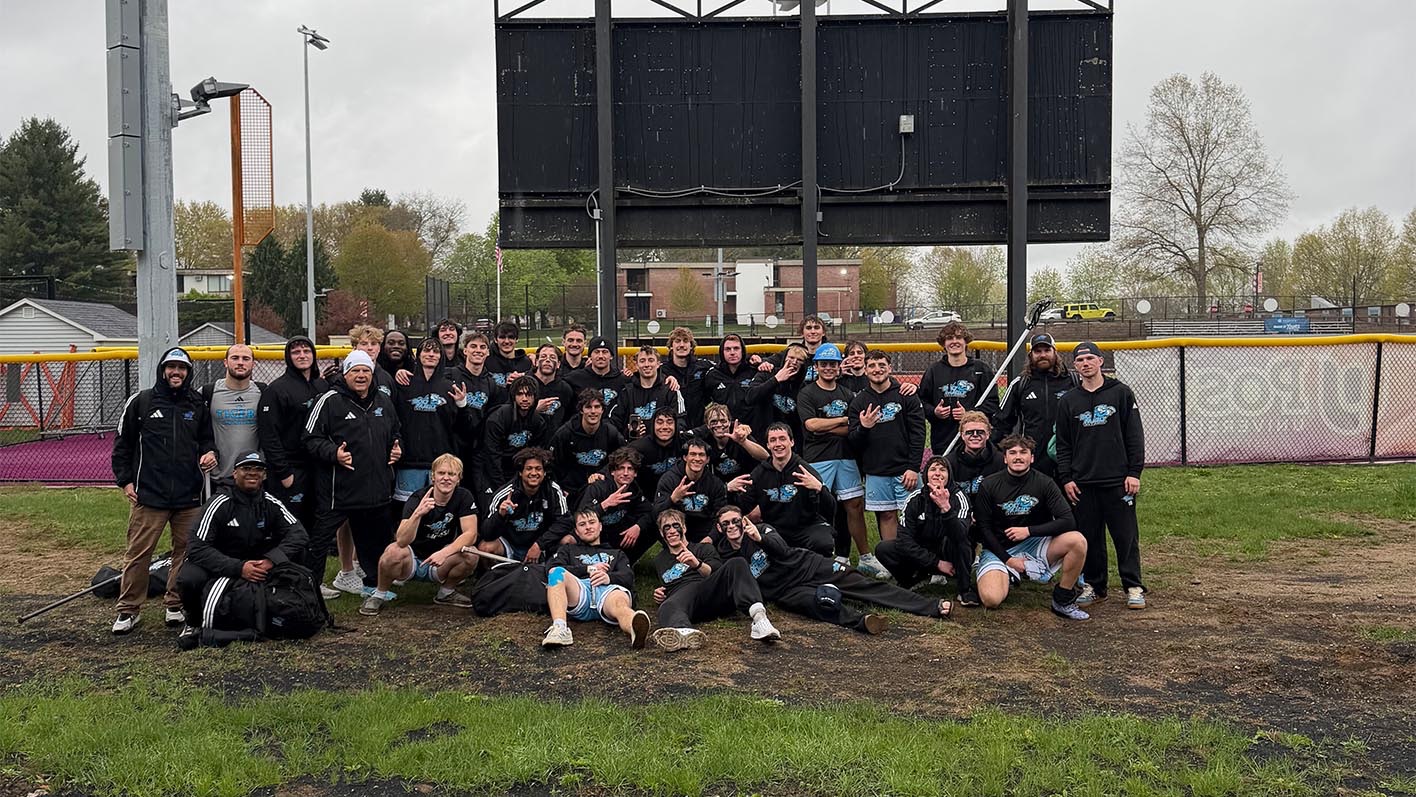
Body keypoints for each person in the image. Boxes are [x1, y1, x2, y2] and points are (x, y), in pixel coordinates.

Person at [110, 346, 217, 635]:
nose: (176, 372)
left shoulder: (197, 404)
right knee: (138, 553)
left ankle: (175, 603)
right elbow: (122, 445)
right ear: (163, 370)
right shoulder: (142, 402)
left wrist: (210, 452)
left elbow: (207, 439)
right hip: (149, 495)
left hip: (188, 496)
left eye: (182, 368)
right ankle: (129, 609)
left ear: (188, 372)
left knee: (185, 552)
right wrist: (125, 481)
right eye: (171, 367)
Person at [712, 506, 949, 633]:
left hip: (809, 566)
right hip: (785, 592)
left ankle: (930, 606)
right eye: (726, 523)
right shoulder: (725, 555)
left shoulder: (762, 529)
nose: (732, 526)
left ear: (744, 521)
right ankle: (864, 622)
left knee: (864, 586)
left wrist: (759, 538)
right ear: (720, 528)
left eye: (736, 521)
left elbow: (782, 551)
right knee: (820, 605)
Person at [177, 450, 308, 644]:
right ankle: (194, 620)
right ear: (234, 473)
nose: (252, 473)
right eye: (246, 468)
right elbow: (196, 547)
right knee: (189, 578)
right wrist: (238, 568)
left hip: (257, 564)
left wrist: (271, 560)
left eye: (258, 469)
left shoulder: (270, 502)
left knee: (299, 553)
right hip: (220, 562)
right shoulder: (218, 503)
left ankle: (284, 609)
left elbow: (299, 534)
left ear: (264, 475)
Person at [1055, 341, 1147, 609]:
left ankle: (1133, 586)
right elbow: (1063, 444)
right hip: (1083, 482)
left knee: (1125, 536)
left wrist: (1134, 472)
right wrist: (1067, 478)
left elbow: (1134, 436)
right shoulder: (1069, 400)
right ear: (1075, 366)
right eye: (1080, 360)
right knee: (1090, 537)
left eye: (1090, 359)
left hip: (1117, 480)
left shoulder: (1121, 393)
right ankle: (1096, 586)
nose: (1085, 364)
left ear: (1100, 361)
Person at [303, 350, 403, 593]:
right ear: (345, 374)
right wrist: (334, 453)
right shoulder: (329, 400)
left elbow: (396, 432)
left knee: (377, 538)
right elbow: (310, 439)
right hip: (340, 489)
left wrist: (397, 448)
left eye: (366, 370)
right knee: (320, 539)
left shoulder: (383, 400)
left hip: (376, 487)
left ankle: (376, 580)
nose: (361, 375)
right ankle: (311, 585)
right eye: (355, 370)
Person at [973, 434, 1090, 620]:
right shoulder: (989, 484)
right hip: (999, 550)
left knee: (1077, 541)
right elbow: (983, 529)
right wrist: (1009, 560)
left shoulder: (1045, 483)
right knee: (991, 599)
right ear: (1005, 458)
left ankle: (1062, 599)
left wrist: (1029, 531)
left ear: (1032, 457)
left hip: (1035, 544)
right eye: (1012, 453)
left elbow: (1068, 520)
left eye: (1023, 452)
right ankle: (1008, 574)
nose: (1018, 457)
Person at [360, 453, 481, 616]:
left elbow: (471, 534)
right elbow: (401, 540)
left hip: (441, 560)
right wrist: (417, 514)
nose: (446, 478)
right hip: (412, 559)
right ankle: (379, 594)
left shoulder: (464, 496)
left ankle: (446, 593)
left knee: (471, 554)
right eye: (441, 473)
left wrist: (444, 553)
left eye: (451, 474)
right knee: (393, 552)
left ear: (458, 478)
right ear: (433, 476)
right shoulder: (418, 497)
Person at [796, 342, 879, 574]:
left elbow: (854, 427)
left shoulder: (847, 393)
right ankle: (818, 556)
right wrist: (842, 420)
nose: (828, 368)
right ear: (816, 366)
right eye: (824, 364)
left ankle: (865, 556)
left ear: (839, 366)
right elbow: (811, 425)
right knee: (817, 506)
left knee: (854, 505)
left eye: (833, 364)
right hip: (818, 457)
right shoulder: (807, 393)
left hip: (846, 456)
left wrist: (827, 427)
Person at [650, 508, 780, 651]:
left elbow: (715, 572)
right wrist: (660, 594)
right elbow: (669, 585)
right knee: (667, 606)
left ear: (684, 528)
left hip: (707, 592)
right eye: (666, 527)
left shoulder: (703, 548)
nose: (672, 531)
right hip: (684, 603)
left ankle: (759, 618)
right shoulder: (659, 560)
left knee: (737, 563)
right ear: (661, 533)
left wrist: (697, 564)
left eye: (676, 526)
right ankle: (683, 632)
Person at [874, 457, 979, 606]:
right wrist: (936, 563)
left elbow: (961, 535)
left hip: (950, 553)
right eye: (933, 469)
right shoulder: (915, 500)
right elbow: (904, 539)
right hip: (925, 553)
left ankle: (965, 589)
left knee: (960, 541)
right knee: (884, 549)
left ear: (949, 475)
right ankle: (912, 579)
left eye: (942, 470)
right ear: (925, 475)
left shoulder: (959, 498)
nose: (937, 473)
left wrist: (945, 508)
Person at [540, 509, 652, 648]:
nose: (588, 527)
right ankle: (560, 629)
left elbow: (628, 576)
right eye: (582, 524)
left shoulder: (616, 553)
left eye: (592, 522)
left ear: (600, 526)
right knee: (556, 573)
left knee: (619, 603)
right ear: (576, 531)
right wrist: (588, 569)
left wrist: (608, 577)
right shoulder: (568, 550)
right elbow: (550, 568)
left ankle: (634, 629)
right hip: (580, 591)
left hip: (608, 592)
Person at [847, 350, 926, 544]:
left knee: (916, 516)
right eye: (872, 366)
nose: (877, 369)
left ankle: (920, 557)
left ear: (890, 368)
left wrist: (913, 467)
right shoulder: (859, 402)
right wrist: (864, 427)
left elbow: (918, 434)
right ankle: (894, 557)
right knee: (887, 515)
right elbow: (853, 441)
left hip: (905, 471)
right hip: (877, 471)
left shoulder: (906, 395)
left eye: (882, 365)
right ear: (865, 370)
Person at [257, 336, 327, 544]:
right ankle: (285, 564)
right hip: (290, 470)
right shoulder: (276, 389)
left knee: (315, 525)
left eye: (306, 351)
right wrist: (284, 472)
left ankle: (309, 565)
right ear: (288, 357)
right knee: (288, 528)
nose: (302, 356)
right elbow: (269, 435)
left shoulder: (322, 386)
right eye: (296, 352)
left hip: (318, 467)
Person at [731, 422, 835, 557]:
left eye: (782, 439)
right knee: (751, 543)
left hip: (806, 527)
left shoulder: (805, 471)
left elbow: (831, 508)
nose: (778, 444)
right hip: (775, 530)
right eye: (773, 440)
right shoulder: (759, 474)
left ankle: (817, 567)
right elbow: (742, 507)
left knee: (823, 543)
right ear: (768, 445)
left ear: (792, 442)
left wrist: (820, 489)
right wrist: (729, 490)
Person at [991, 333, 1077, 479]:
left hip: (1069, 456)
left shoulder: (1073, 381)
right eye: (1038, 351)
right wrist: (997, 452)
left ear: (1055, 352)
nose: (1042, 355)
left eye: (1047, 350)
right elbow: (1002, 422)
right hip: (1033, 458)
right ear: (1031, 355)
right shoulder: (1020, 384)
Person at [392, 338, 464, 506]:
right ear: (418, 355)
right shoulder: (404, 383)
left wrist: (462, 405)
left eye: (436, 351)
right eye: (426, 350)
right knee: (408, 510)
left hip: (441, 464)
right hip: (410, 463)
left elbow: (462, 427)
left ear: (441, 356)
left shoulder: (450, 387)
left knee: (438, 510)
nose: (431, 354)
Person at [918, 321, 999, 459]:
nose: (954, 341)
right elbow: (921, 402)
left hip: (975, 440)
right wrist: (934, 412)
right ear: (943, 344)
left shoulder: (981, 369)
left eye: (959, 337)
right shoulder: (934, 371)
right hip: (943, 439)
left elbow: (992, 403)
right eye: (949, 338)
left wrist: (969, 414)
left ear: (966, 341)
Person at [445, 331, 508, 497]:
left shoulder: (491, 384)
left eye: (482, 347)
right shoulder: (450, 375)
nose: (478, 350)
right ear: (465, 350)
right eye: (473, 346)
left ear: (488, 352)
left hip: (477, 450)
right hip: (452, 446)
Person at [480, 447, 570, 563]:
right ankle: (497, 573)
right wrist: (500, 515)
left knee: (568, 540)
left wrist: (539, 544)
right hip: (510, 546)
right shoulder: (504, 494)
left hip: (542, 546)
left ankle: (552, 569)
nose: (534, 473)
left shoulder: (553, 490)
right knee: (486, 548)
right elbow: (486, 533)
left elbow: (565, 522)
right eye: (529, 469)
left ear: (544, 472)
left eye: (538, 469)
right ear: (520, 472)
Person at [576, 447, 655, 561]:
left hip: (618, 533)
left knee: (651, 525)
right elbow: (581, 516)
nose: (625, 473)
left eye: (630, 469)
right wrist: (605, 504)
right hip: (597, 536)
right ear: (613, 471)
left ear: (635, 473)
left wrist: (638, 527)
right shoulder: (598, 487)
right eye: (621, 468)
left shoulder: (634, 489)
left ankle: (628, 561)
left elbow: (649, 511)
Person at [549, 389, 626, 502]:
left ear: (602, 410)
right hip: (570, 491)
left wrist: (602, 473)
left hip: (600, 489)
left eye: (597, 407)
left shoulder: (611, 433)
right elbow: (552, 464)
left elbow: (622, 458)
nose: (593, 411)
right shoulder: (565, 434)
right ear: (581, 410)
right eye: (588, 407)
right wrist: (561, 488)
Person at [483, 375, 553, 499]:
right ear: (513, 396)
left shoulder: (538, 421)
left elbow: (537, 453)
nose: (524, 399)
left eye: (529, 395)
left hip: (518, 469)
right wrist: (502, 486)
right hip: (490, 468)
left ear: (535, 397)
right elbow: (491, 456)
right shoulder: (498, 419)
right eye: (520, 394)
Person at [653, 437, 732, 543]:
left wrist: (710, 538)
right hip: (677, 531)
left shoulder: (715, 483)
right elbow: (656, 513)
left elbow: (721, 516)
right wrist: (672, 499)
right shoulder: (669, 479)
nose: (697, 458)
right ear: (685, 457)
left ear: (707, 459)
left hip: (705, 532)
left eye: (701, 455)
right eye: (693, 454)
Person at [205, 343, 263, 486]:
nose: (240, 362)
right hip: (218, 478)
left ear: (253, 364)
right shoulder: (208, 392)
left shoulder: (263, 392)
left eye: (245, 359)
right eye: (235, 358)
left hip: (253, 478)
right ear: (225, 362)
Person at [613, 345, 684, 439]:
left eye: (651, 360)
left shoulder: (670, 389)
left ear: (658, 364)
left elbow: (680, 421)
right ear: (637, 365)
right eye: (642, 361)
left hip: (663, 444)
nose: (647, 365)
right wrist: (629, 432)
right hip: (634, 444)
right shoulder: (627, 392)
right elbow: (616, 422)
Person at [705, 334, 766, 435]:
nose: (732, 352)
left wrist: (762, 362)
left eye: (736, 348)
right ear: (722, 352)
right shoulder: (713, 375)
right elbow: (704, 402)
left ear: (742, 351)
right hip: (724, 431)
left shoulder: (754, 371)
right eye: (728, 349)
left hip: (753, 430)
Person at [746, 342, 808, 443]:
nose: (794, 362)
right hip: (763, 436)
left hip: (789, 441)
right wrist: (776, 379)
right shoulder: (767, 373)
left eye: (799, 360)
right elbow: (750, 397)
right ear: (784, 358)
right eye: (791, 358)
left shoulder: (803, 387)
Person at [695, 403, 769, 483]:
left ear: (729, 422)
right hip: (720, 487)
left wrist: (743, 442)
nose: (719, 425)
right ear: (707, 425)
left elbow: (766, 457)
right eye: (714, 421)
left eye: (723, 421)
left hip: (746, 484)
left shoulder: (739, 433)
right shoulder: (704, 440)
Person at [628, 406, 689, 499]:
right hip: (647, 499)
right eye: (660, 422)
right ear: (653, 425)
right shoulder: (638, 448)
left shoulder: (685, 443)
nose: (664, 427)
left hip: (679, 497)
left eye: (669, 422)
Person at [659, 327, 714, 428]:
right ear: (671, 346)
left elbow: (724, 370)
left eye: (685, 341)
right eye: (677, 341)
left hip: (700, 425)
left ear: (691, 346)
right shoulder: (662, 370)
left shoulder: (704, 366)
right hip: (672, 427)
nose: (681, 345)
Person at [946, 411, 1004, 499]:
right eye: (970, 432)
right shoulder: (949, 463)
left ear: (988, 434)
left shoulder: (1001, 461)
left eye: (980, 432)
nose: (975, 435)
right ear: (962, 435)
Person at [562, 336, 627, 413]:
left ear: (611, 356)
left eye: (605, 352)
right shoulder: (575, 378)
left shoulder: (622, 379)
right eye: (596, 352)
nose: (600, 356)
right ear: (590, 356)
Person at [530, 343, 575, 430]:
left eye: (552, 357)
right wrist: (534, 410)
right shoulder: (524, 385)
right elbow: (510, 415)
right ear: (536, 362)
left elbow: (570, 418)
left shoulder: (565, 389)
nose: (547, 360)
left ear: (558, 364)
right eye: (543, 356)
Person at [487, 321, 534, 386]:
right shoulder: (487, 361)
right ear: (495, 339)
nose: (506, 341)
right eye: (502, 337)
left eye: (511, 337)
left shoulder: (527, 363)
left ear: (516, 339)